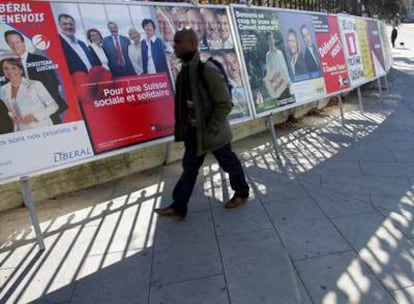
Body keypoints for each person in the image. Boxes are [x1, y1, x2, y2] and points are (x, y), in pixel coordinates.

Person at [154, 28, 249, 221]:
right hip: (194, 134)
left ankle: (242, 193)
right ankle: (178, 207)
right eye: (175, 42)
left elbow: (224, 104)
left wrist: (211, 128)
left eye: (179, 42)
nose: (175, 46)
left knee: (229, 163)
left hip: (213, 134)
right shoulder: (184, 73)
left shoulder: (208, 71)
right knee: (189, 169)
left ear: (192, 44)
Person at [4, 30, 67, 124]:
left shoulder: (41, 60)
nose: (14, 45)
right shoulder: (7, 66)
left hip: (47, 109)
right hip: (23, 113)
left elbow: (53, 84)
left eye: (17, 42)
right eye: (11, 43)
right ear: (8, 44)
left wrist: (45, 110)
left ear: (23, 42)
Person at [1, 57, 58, 131]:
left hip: (42, 128)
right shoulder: (4, 89)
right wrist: (11, 116)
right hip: (20, 131)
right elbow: (9, 109)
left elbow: (54, 106)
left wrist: (34, 116)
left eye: (13, 68)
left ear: (20, 70)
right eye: (6, 69)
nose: (10, 71)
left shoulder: (35, 84)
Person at [263, 31, 291, 99]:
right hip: (277, 85)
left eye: (272, 39)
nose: (272, 41)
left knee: (289, 100)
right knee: (281, 101)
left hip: (285, 82)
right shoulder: (268, 56)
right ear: (267, 41)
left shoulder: (280, 53)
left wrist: (288, 80)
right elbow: (269, 70)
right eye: (269, 39)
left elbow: (284, 67)